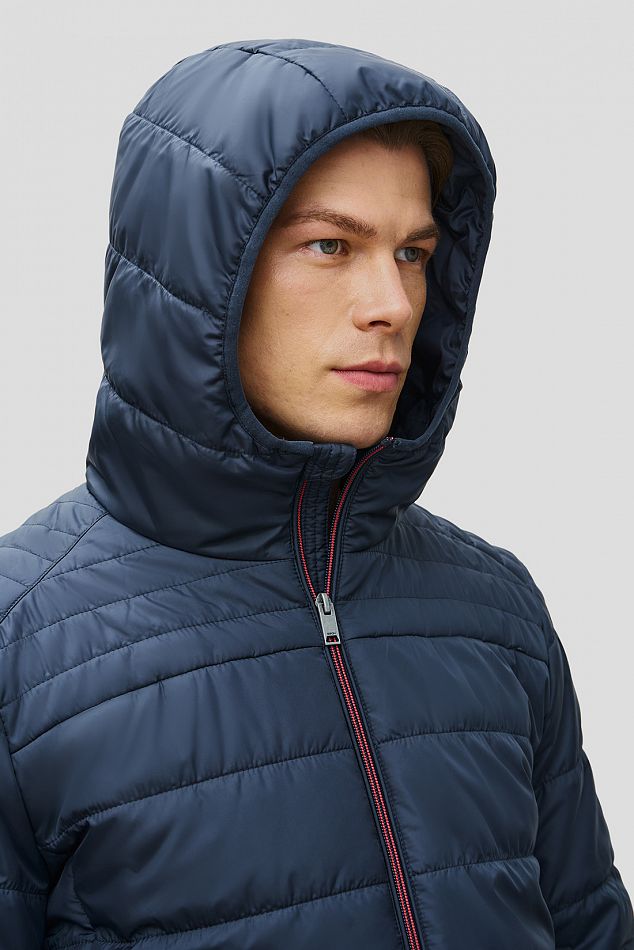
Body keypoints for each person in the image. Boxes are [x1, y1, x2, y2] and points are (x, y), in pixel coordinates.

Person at [0, 37, 631, 950]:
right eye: (331, 245)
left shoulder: (497, 609)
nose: (393, 304)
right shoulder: (21, 642)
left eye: (413, 253)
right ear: (197, 273)